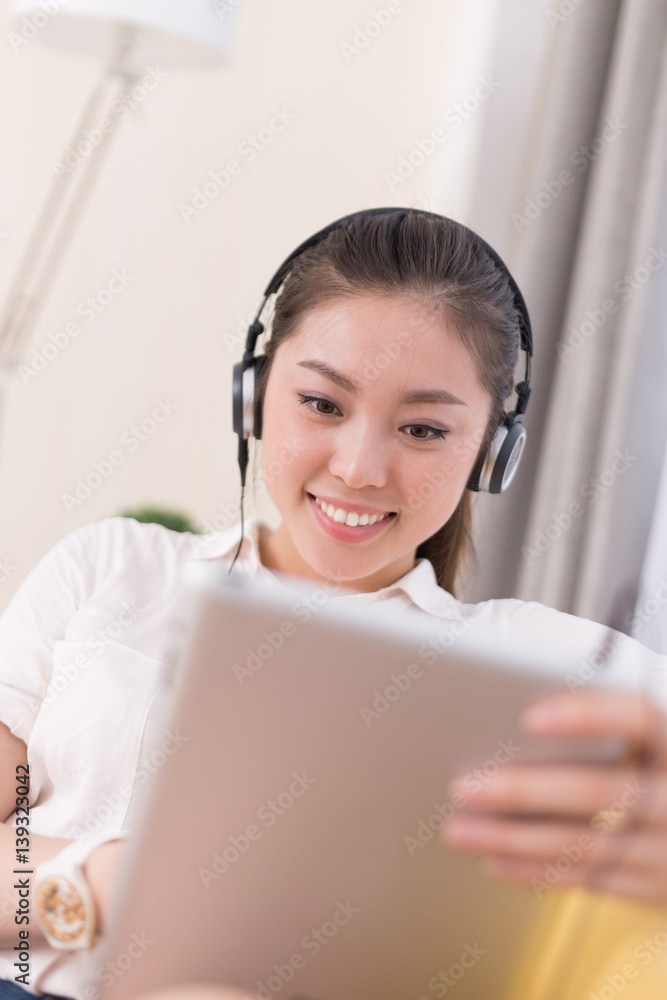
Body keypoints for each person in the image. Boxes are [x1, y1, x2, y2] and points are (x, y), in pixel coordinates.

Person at [0, 208, 666, 1000]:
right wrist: (102, 882)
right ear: (253, 396)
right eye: (321, 405)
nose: (357, 467)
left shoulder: (535, 660)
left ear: (490, 452)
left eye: (422, 429)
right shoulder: (113, 569)